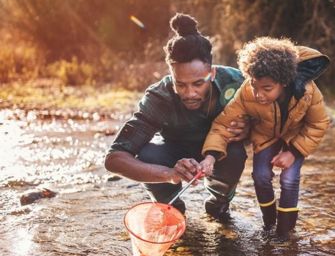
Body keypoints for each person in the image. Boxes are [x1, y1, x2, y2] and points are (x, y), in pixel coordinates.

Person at [104, 13, 250, 218]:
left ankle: (219, 203)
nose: (190, 93)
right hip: (173, 153)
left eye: (198, 83)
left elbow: (273, 118)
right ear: (171, 74)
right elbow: (114, 159)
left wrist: (249, 129)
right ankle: (171, 209)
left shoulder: (237, 82)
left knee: (236, 152)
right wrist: (168, 175)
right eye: (180, 84)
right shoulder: (158, 97)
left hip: (221, 153)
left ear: (212, 73)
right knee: (148, 154)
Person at [199, 37, 331, 236]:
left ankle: (285, 233)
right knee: (260, 176)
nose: (258, 93)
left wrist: (293, 152)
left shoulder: (308, 92)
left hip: (295, 139)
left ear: (284, 82)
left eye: (267, 88)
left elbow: (319, 124)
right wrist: (210, 155)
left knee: (289, 179)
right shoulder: (247, 92)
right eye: (254, 85)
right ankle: (269, 225)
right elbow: (222, 124)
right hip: (265, 136)